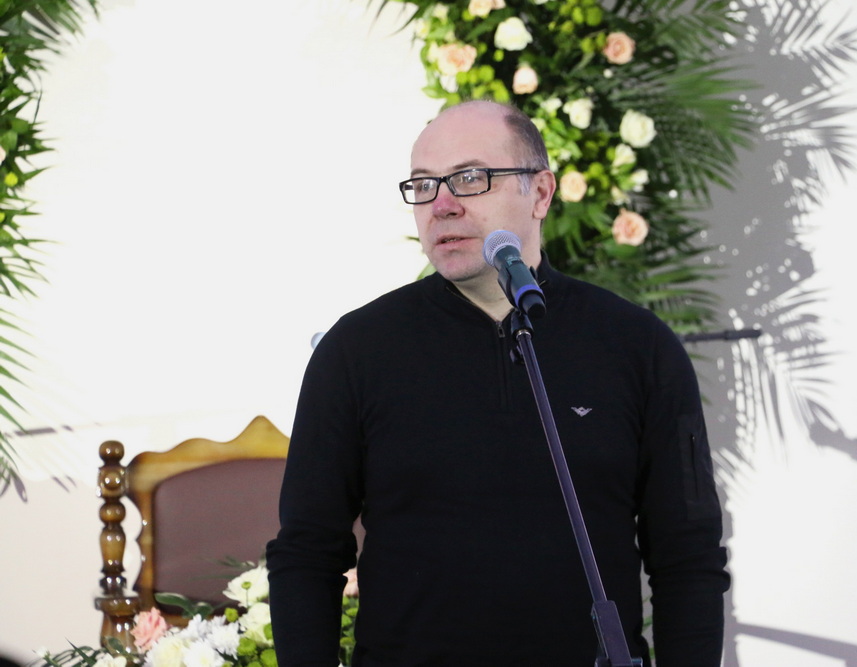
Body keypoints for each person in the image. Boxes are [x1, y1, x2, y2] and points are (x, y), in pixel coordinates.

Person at [266, 100, 730, 666]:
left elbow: (688, 557)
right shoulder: (357, 350)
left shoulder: (637, 345)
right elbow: (306, 552)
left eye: (470, 178)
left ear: (541, 193)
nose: (442, 205)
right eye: (423, 185)